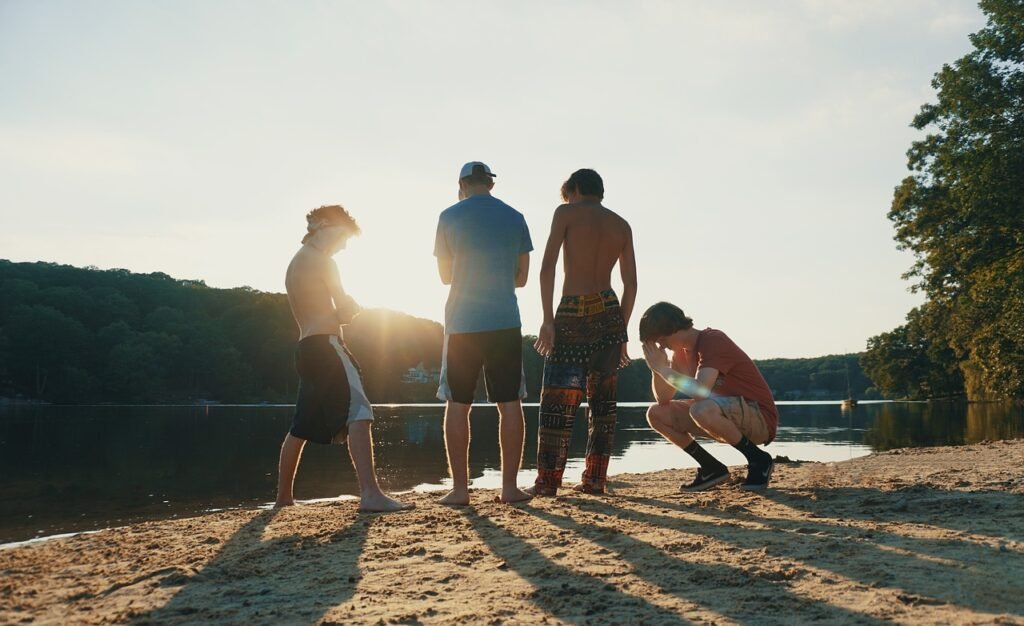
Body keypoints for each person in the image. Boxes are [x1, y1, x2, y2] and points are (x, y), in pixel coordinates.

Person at [275, 204, 412, 512]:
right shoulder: (324, 262)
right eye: (343, 236)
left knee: (300, 427)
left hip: (306, 348)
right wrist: (352, 309)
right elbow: (343, 308)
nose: (345, 245)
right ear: (324, 224)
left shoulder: (295, 262)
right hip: (327, 346)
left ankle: (283, 499)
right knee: (360, 413)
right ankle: (371, 494)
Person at [530, 169, 638, 496]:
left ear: (575, 190)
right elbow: (630, 284)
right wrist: (621, 330)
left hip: (572, 311)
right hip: (609, 313)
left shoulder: (566, 212)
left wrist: (547, 319)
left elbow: (547, 267)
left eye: (568, 195)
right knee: (602, 404)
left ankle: (548, 482)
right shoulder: (621, 224)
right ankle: (595, 480)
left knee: (557, 401)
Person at [434, 161, 534, 505]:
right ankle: (509, 489)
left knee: (458, 405)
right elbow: (521, 277)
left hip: (462, 322)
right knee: (510, 403)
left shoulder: (448, 216)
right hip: (504, 320)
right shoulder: (515, 216)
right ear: (490, 184)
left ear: (461, 184)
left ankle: (460, 491)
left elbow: (445, 276)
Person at [639, 302, 778, 491]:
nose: (660, 345)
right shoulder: (679, 355)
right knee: (656, 413)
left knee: (701, 408)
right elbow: (662, 399)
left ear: (672, 328)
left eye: (660, 339)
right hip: (724, 415)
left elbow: (700, 391)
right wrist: (656, 368)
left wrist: (664, 370)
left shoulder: (712, 340)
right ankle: (711, 468)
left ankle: (758, 460)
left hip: (759, 417)